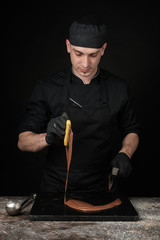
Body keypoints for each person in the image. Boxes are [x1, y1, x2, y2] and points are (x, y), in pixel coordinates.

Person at [18, 15, 140, 193]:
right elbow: (23, 142)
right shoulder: (47, 87)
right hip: (56, 188)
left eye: (93, 55)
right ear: (68, 46)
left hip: (103, 186)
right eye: (78, 53)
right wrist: (47, 137)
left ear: (103, 49)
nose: (85, 63)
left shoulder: (118, 87)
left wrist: (125, 153)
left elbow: (132, 130)